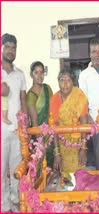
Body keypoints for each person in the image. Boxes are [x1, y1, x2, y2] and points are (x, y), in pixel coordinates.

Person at [1, 33, 28, 212]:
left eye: (14, 48)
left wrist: (24, 121)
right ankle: (4, 204)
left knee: (18, 168)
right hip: (1, 130)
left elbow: (23, 100)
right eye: (8, 47)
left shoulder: (20, 74)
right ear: (2, 48)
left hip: (17, 130)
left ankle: (17, 201)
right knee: (2, 170)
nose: (11, 51)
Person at [78, 37, 99, 170]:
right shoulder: (84, 75)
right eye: (93, 51)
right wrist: (89, 119)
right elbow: (83, 101)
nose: (97, 55)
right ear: (89, 53)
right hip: (96, 122)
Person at [50, 70, 88, 177]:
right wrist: (57, 153)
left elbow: (84, 120)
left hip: (78, 142)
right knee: (65, 176)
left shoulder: (79, 95)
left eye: (68, 80)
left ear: (73, 82)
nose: (65, 83)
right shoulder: (55, 99)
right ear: (58, 83)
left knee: (80, 175)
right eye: (62, 80)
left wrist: (83, 148)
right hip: (63, 143)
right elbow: (54, 127)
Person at [26, 61, 54, 168]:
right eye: (36, 72)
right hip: (38, 136)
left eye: (41, 72)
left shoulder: (47, 88)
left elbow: (52, 113)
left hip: (50, 133)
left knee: (52, 169)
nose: (39, 75)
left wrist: (53, 134)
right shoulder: (30, 95)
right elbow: (34, 122)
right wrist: (40, 143)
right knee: (40, 169)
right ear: (31, 74)